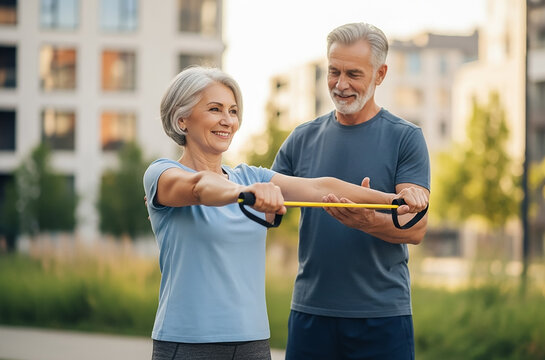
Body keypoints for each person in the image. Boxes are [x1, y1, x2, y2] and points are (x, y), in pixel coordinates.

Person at [143, 66, 428, 360]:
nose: (227, 120)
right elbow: (199, 187)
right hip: (187, 342)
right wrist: (244, 195)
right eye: (215, 109)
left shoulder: (249, 176)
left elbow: (321, 187)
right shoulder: (162, 173)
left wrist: (395, 200)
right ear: (181, 119)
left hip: (252, 343)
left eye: (232, 111)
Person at [272, 23, 431, 360]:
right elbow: (263, 206)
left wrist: (367, 222)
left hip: (382, 318)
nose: (340, 85)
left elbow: (415, 228)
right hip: (311, 315)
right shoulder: (301, 138)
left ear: (380, 74)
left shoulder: (406, 137)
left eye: (353, 74)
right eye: (334, 71)